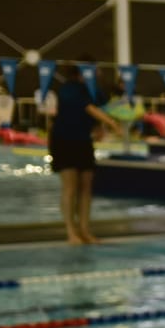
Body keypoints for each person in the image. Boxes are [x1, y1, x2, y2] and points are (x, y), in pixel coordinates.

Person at [48, 61, 123, 245]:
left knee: (86, 186)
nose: (99, 72)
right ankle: (71, 232)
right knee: (70, 187)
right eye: (95, 68)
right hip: (64, 140)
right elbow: (89, 108)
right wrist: (112, 124)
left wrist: (99, 127)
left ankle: (85, 230)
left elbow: (102, 105)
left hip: (83, 141)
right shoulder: (69, 89)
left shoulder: (92, 89)